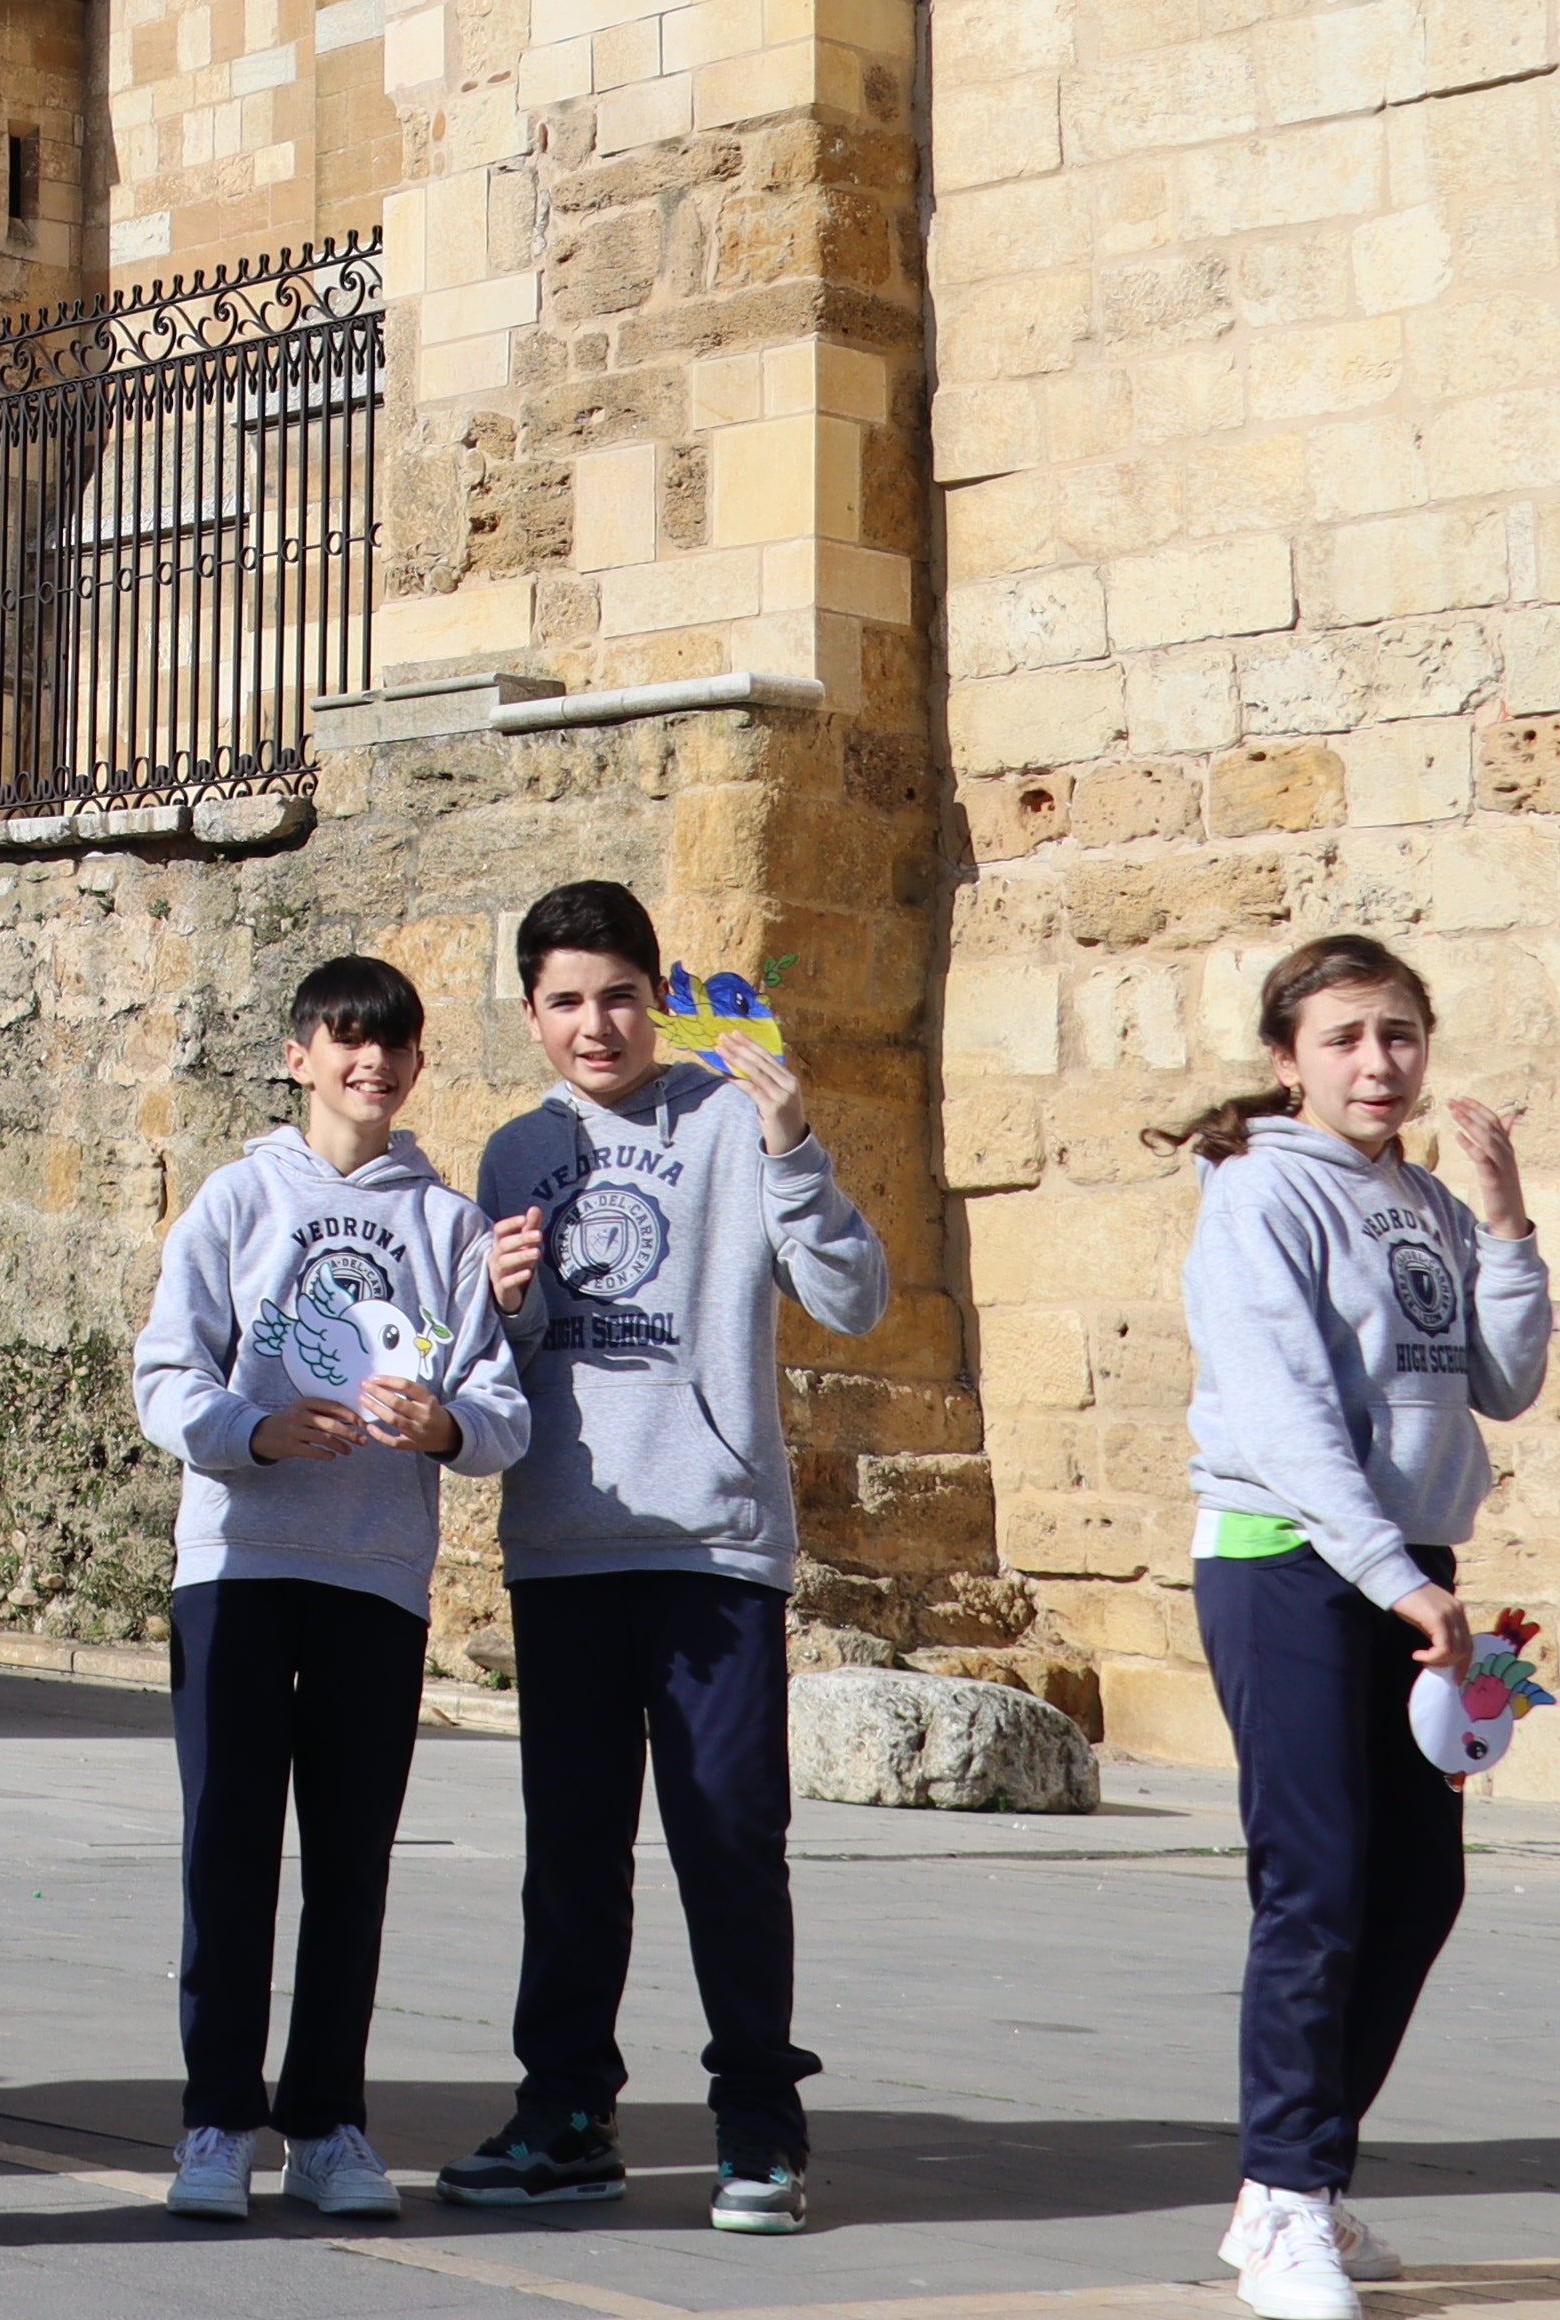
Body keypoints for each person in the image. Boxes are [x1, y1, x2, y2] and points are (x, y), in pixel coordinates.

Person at [452, 876, 891, 2232]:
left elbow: (855, 1298)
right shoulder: (514, 1152)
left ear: (659, 994)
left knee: (729, 1844)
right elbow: (501, 1375)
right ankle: (566, 2116)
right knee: (571, 1855)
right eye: (568, 1003)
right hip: (567, 1547)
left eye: (620, 997)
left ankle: (761, 2128)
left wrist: (797, 1147)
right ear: (532, 1017)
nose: (599, 1026)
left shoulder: (729, 1118)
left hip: (712, 1548)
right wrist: (506, 1306)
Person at [1161, 936, 1547, 2320]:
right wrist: (1393, 1575)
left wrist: (1504, 1222)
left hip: (1410, 1571)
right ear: (1287, 1061)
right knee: (1316, 1881)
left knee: (1419, 1886)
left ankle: (1300, 2183)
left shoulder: (1427, 1201)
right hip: (1289, 1564)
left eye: (1398, 1035)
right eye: (1343, 1039)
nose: (1377, 1063)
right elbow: (1280, 1416)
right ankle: (1282, 2192)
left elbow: (1501, 1380)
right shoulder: (1259, 1193)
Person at [131, 952, 528, 2225]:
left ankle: (327, 2123)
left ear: (418, 1065)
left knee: (350, 1863)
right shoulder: (237, 1199)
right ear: (299, 1055)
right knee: (227, 1855)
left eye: (394, 1045)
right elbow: (163, 1378)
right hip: (240, 1567)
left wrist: (442, 1426)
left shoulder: (453, 1226)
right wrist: (253, 1431)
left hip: (376, 1581)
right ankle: (214, 2122)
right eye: (345, 1041)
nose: (371, 1064)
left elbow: (502, 1409)